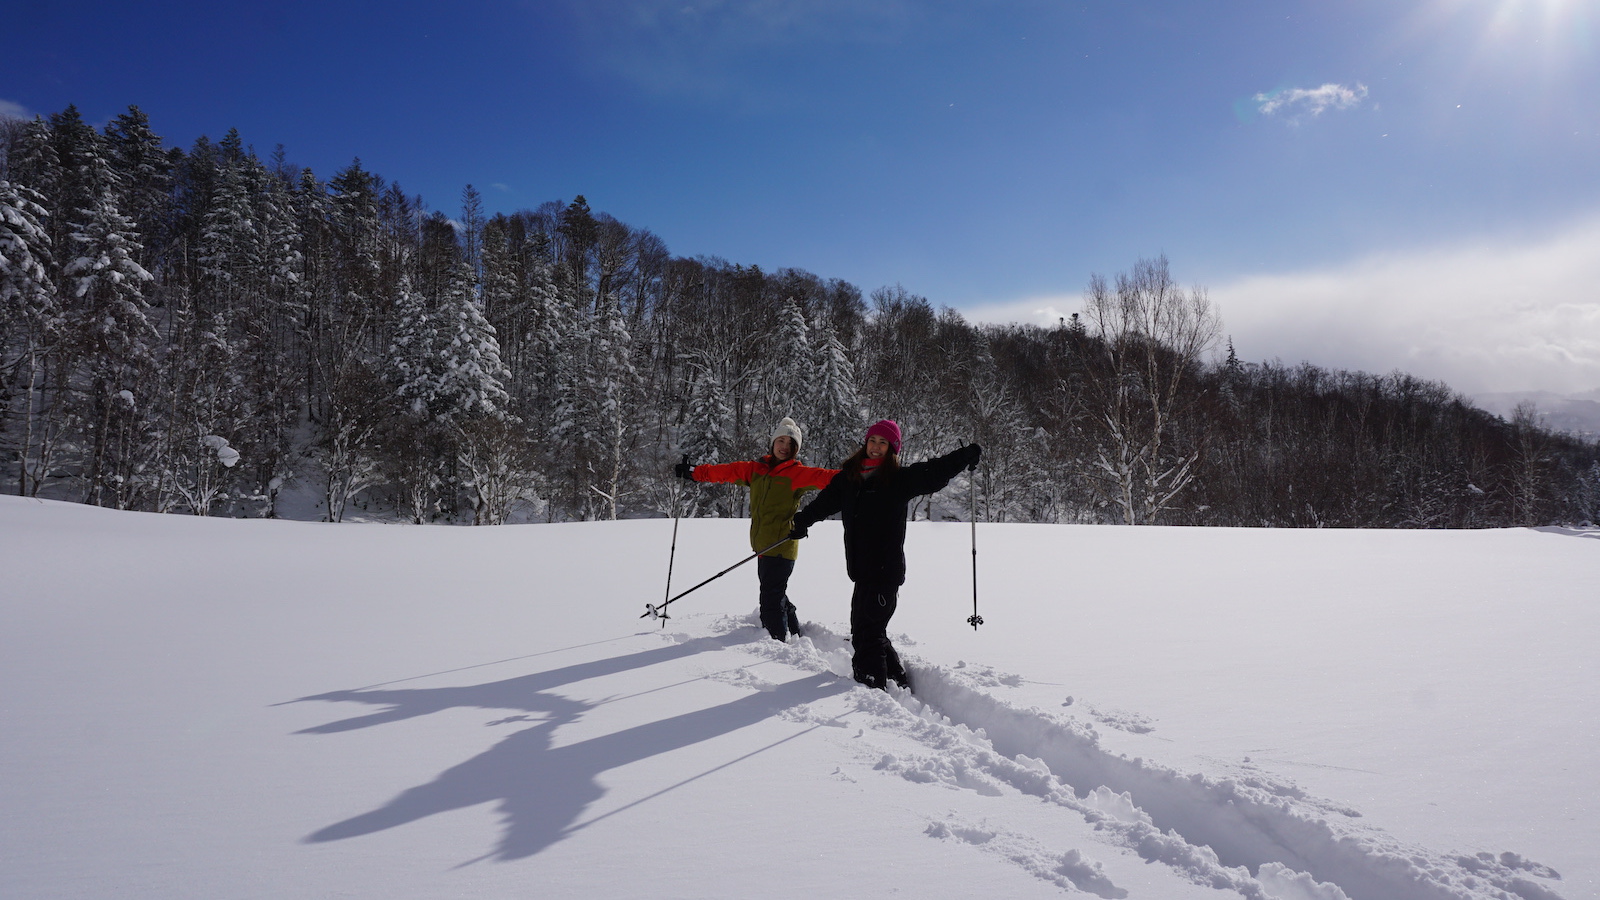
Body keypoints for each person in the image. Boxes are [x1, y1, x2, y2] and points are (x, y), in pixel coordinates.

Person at [787, 419, 980, 690]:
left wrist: (963, 456)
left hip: (884, 572)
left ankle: (871, 687)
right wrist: (801, 521)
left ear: (892, 449)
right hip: (862, 571)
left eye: (883, 443)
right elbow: (824, 503)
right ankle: (895, 678)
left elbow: (934, 471)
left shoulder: (899, 480)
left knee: (867, 633)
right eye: (873, 441)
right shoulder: (849, 479)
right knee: (867, 631)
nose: (876, 447)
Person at [675, 418, 839, 641]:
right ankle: (794, 632)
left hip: (782, 545)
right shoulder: (756, 470)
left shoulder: (796, 474)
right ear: (772, 443)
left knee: (770, 599)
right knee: (774, 590)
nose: (784, 446)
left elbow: (827, 478)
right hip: (763, 545)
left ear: (795, 450)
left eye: (790, 444)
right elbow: (726, 472)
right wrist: (694, 473)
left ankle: (777, 644)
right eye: (780, 440)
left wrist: (858, 477)